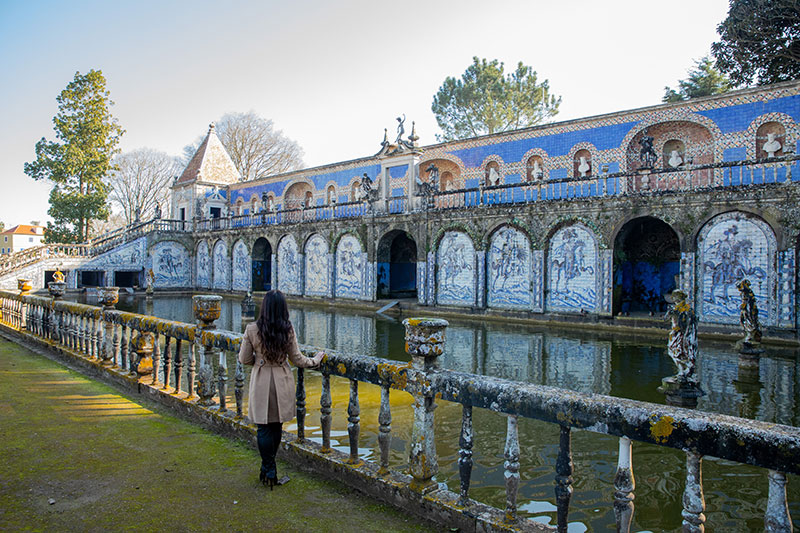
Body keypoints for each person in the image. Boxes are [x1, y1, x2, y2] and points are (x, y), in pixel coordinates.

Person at [238, 290, 324, 489]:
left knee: (263, 426)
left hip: (261, 380)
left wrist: (259, 362)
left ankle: (268, 469)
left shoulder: (252, 329)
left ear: (264, 307)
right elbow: (298, 359)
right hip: (281, 379)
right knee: (276, 426)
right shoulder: (287, 329)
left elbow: (244, 359)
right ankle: (269, 468)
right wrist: (316, 360)